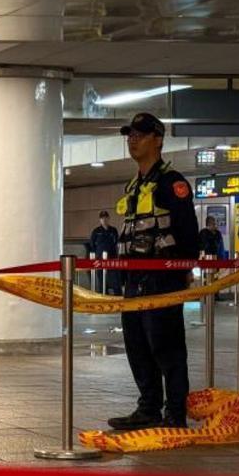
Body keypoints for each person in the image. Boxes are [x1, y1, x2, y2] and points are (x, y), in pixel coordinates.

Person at [108, 113, 200, 431]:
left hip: (163, 279)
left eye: (141, 134)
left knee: (167, 347)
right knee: (137, 346)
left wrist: (184, 270)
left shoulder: (171, 183)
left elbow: (189, 233)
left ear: (158, 140)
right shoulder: (134, 185)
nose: (133, 139)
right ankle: (148, 407)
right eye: (130, 134)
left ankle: (175, 413)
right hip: (134, 281)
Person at [89, 209, 119, 295]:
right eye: (102, 218)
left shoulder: (113, 230)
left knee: (115, 280)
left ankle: (118, 297)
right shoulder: (96, 231)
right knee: (101, 280)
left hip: (112, 259)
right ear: (100, 220)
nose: (104, 220)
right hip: (100, 260)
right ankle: (104, 296)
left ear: (109, 218)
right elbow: (92, 245)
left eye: (106, 218)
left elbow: (116, 243)